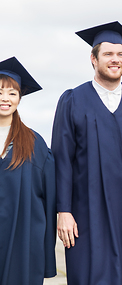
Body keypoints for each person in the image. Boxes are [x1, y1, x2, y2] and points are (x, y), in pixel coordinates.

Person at [52, 21, 122, 285]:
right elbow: (62, 159)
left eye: (120, 55)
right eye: (108, 54)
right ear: (93, 59)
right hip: (83, 210)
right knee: (87, 273)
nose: (115, 60)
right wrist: (63, 210)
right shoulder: (72, 100)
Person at [0, 57, 56, 285]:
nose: (5, 98)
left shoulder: (34, 143)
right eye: (0, 91)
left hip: (22, 241)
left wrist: (45, 250)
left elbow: (50, 198)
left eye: (12, 93)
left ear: (20, 99)